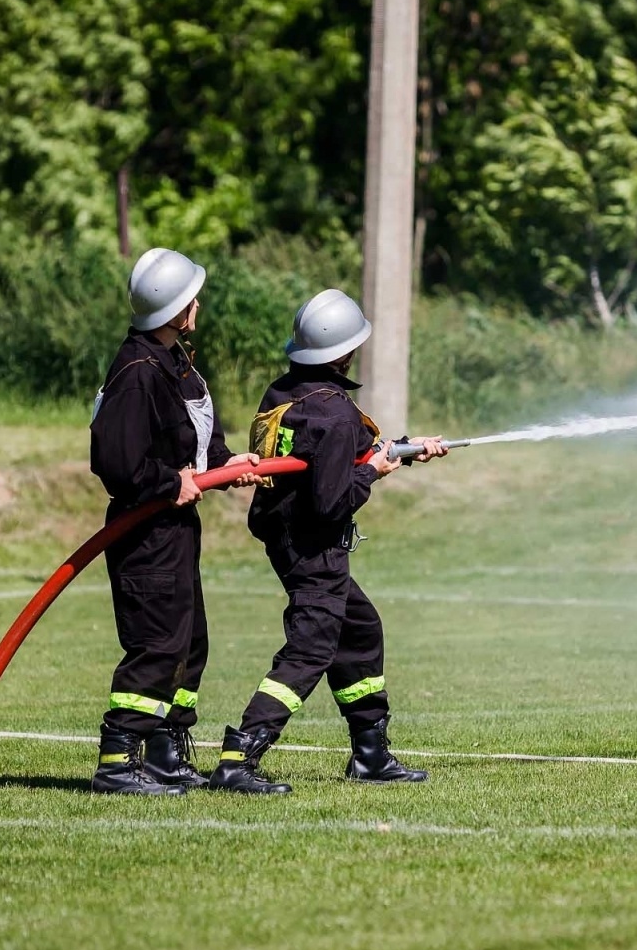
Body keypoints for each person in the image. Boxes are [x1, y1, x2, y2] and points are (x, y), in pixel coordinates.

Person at [207, 289, 445, 795]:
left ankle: (370, 755)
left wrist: (404, 448)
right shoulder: (334, 412)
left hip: (285, 536)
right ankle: (238, 757)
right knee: (311, 647)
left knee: (359, 629)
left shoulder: (287, 392)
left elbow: (334, 454)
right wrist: (376, 472)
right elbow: (332, 501)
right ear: (343, 352)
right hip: (314, 543)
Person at [88, 247, 261, 796]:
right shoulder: (138, 371)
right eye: (193, 296)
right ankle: (118, 759)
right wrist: (170, 481)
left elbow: (192, 433)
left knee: (189, 643)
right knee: (158, 644)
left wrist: (224, 462)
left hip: (177, 529)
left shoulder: (173, 361)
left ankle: (164, 750)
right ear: (179, 309)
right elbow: (116, 461)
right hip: (146, 531)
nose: (198, 304)